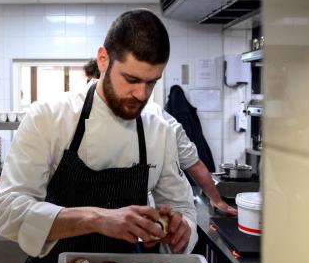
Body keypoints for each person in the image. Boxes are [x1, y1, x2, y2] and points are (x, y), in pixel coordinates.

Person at [0, 9, 197, 263]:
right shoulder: (50, 117)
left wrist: (181, 231)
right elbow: (8, 211)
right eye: (131, 79)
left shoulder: (159, 129)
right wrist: (98, 218)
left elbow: (182, 208)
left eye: (151, 83)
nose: (141, 95)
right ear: (103, 59)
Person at [82, 59, 237, 216]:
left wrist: (216, 201)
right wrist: (216, 200)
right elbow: (194, 164)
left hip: (135, 227)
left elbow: (192, 163)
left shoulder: (157, 118)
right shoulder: (70, 116)